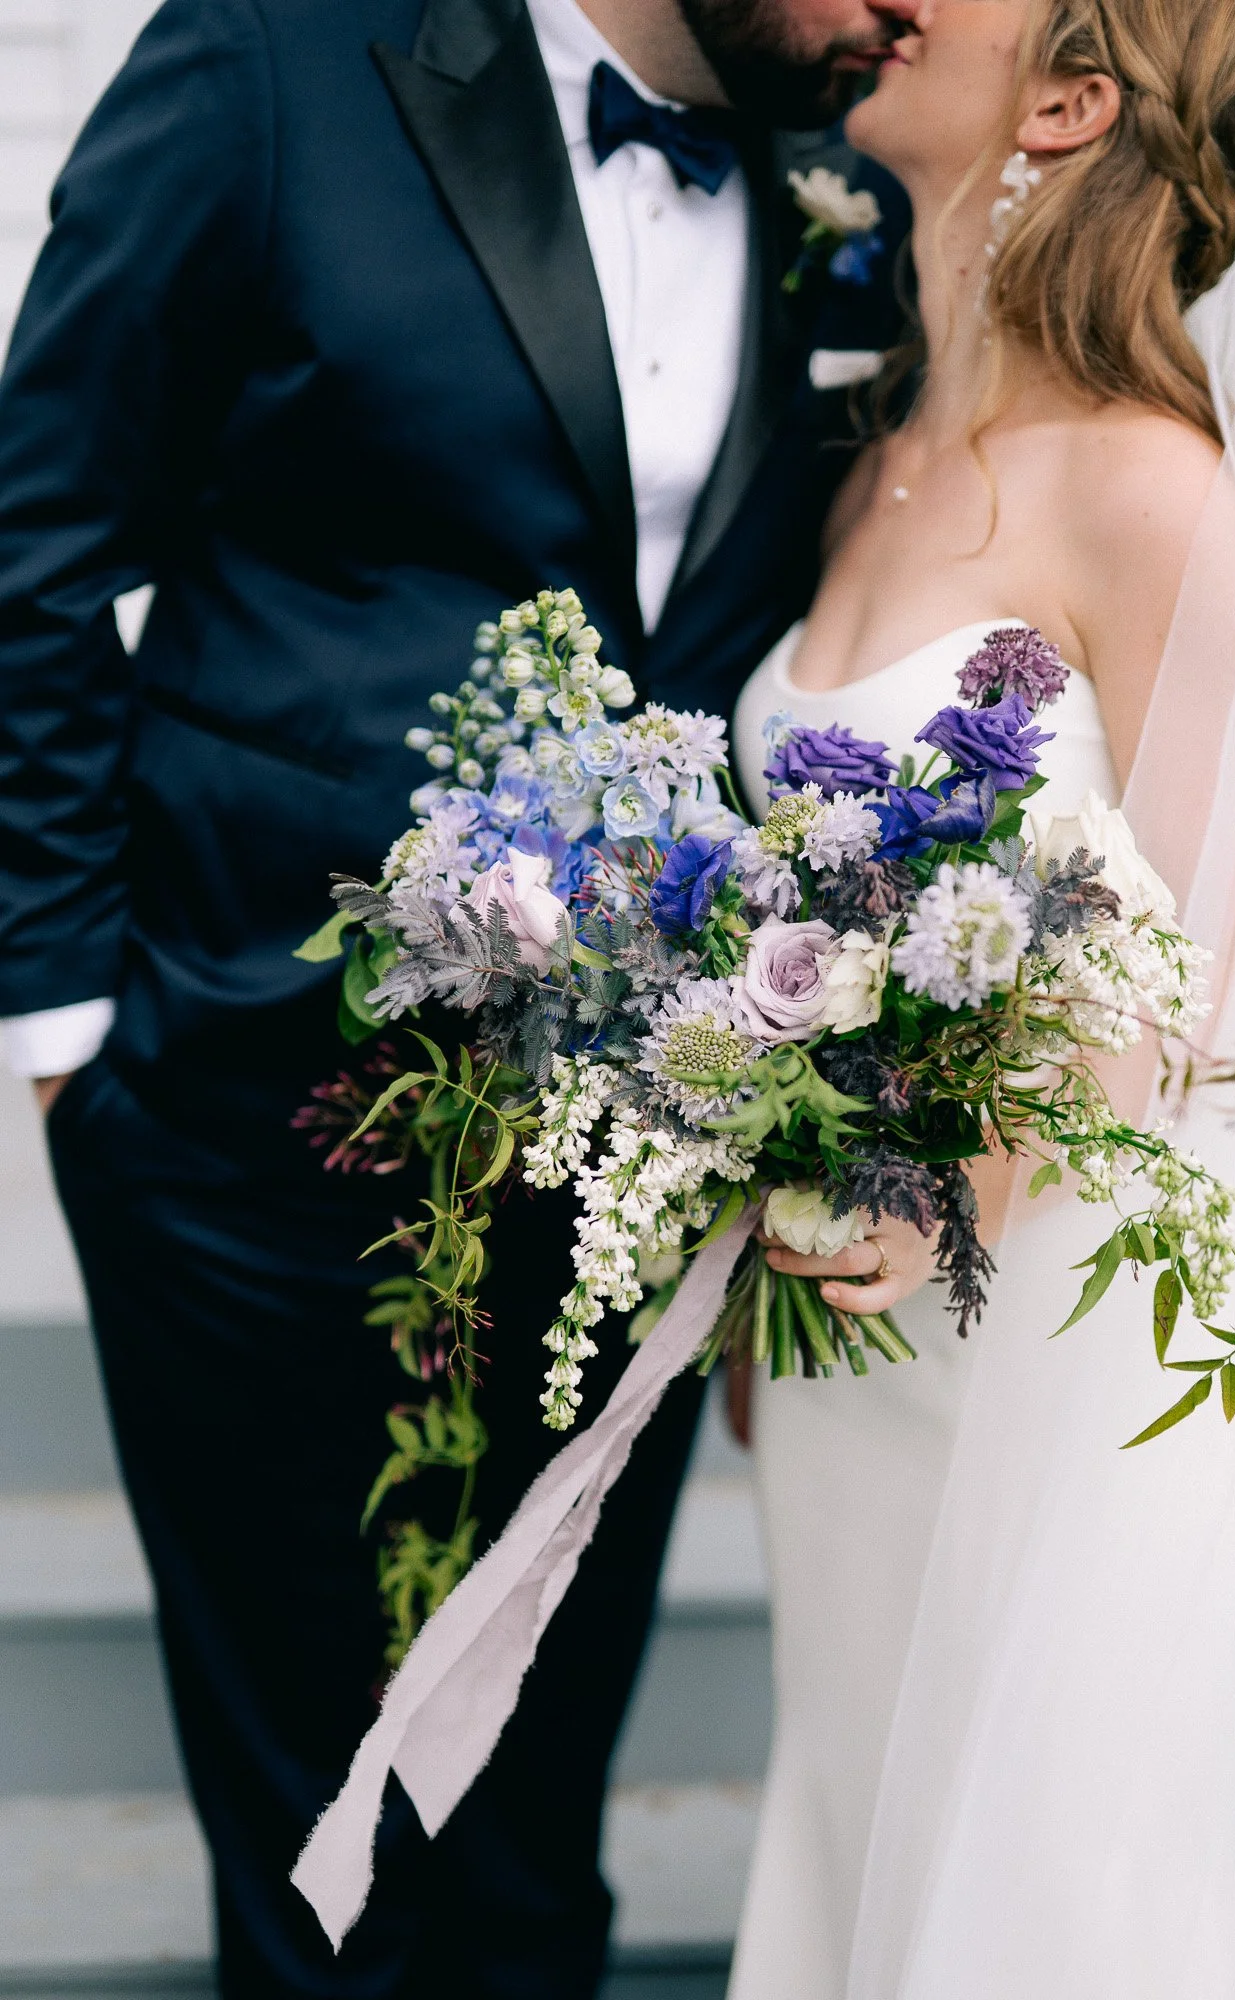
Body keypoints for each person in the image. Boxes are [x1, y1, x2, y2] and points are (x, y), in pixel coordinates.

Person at [0, 0, 919, 1990]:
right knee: (324, 1846)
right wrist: (73, 1034)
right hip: (248, 1103)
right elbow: (36, 543)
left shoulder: (848, 166)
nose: (911, 6)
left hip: (642, 1151)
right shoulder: (271, 61)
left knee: (526, 1837)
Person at [728, 0, 1235, 1994]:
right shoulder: (870, 465)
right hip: (843, 1353)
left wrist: (964, 1167)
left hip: (1049, 1360)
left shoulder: (1155, 492)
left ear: (1068, 100)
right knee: (868, 1833)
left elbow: (1207, 969)